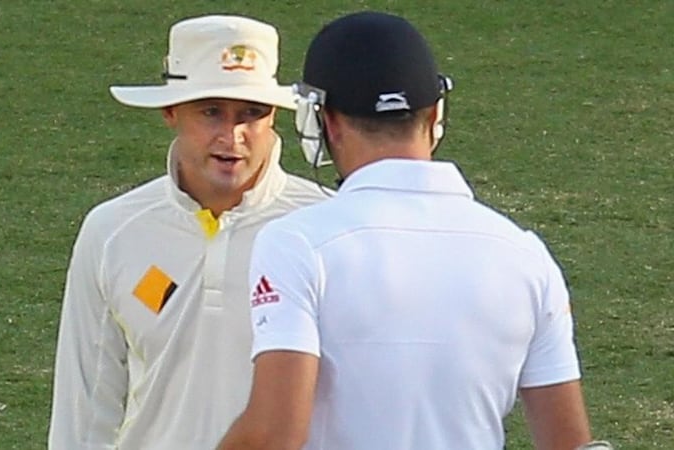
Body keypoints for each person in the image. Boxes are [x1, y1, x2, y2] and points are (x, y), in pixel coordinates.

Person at [218, 11, 613, 450]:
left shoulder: (297, 243)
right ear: (436, 113)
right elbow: (571, 445)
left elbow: (273, 436)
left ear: (323, 121)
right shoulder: (525, 255)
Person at [47, 14, 328, 449]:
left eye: (251, 113)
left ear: (274, 116)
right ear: (171, 111)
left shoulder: (326, 229)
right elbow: (84, 407)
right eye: (211, 112)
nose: (232, 135)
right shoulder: (112, 232)